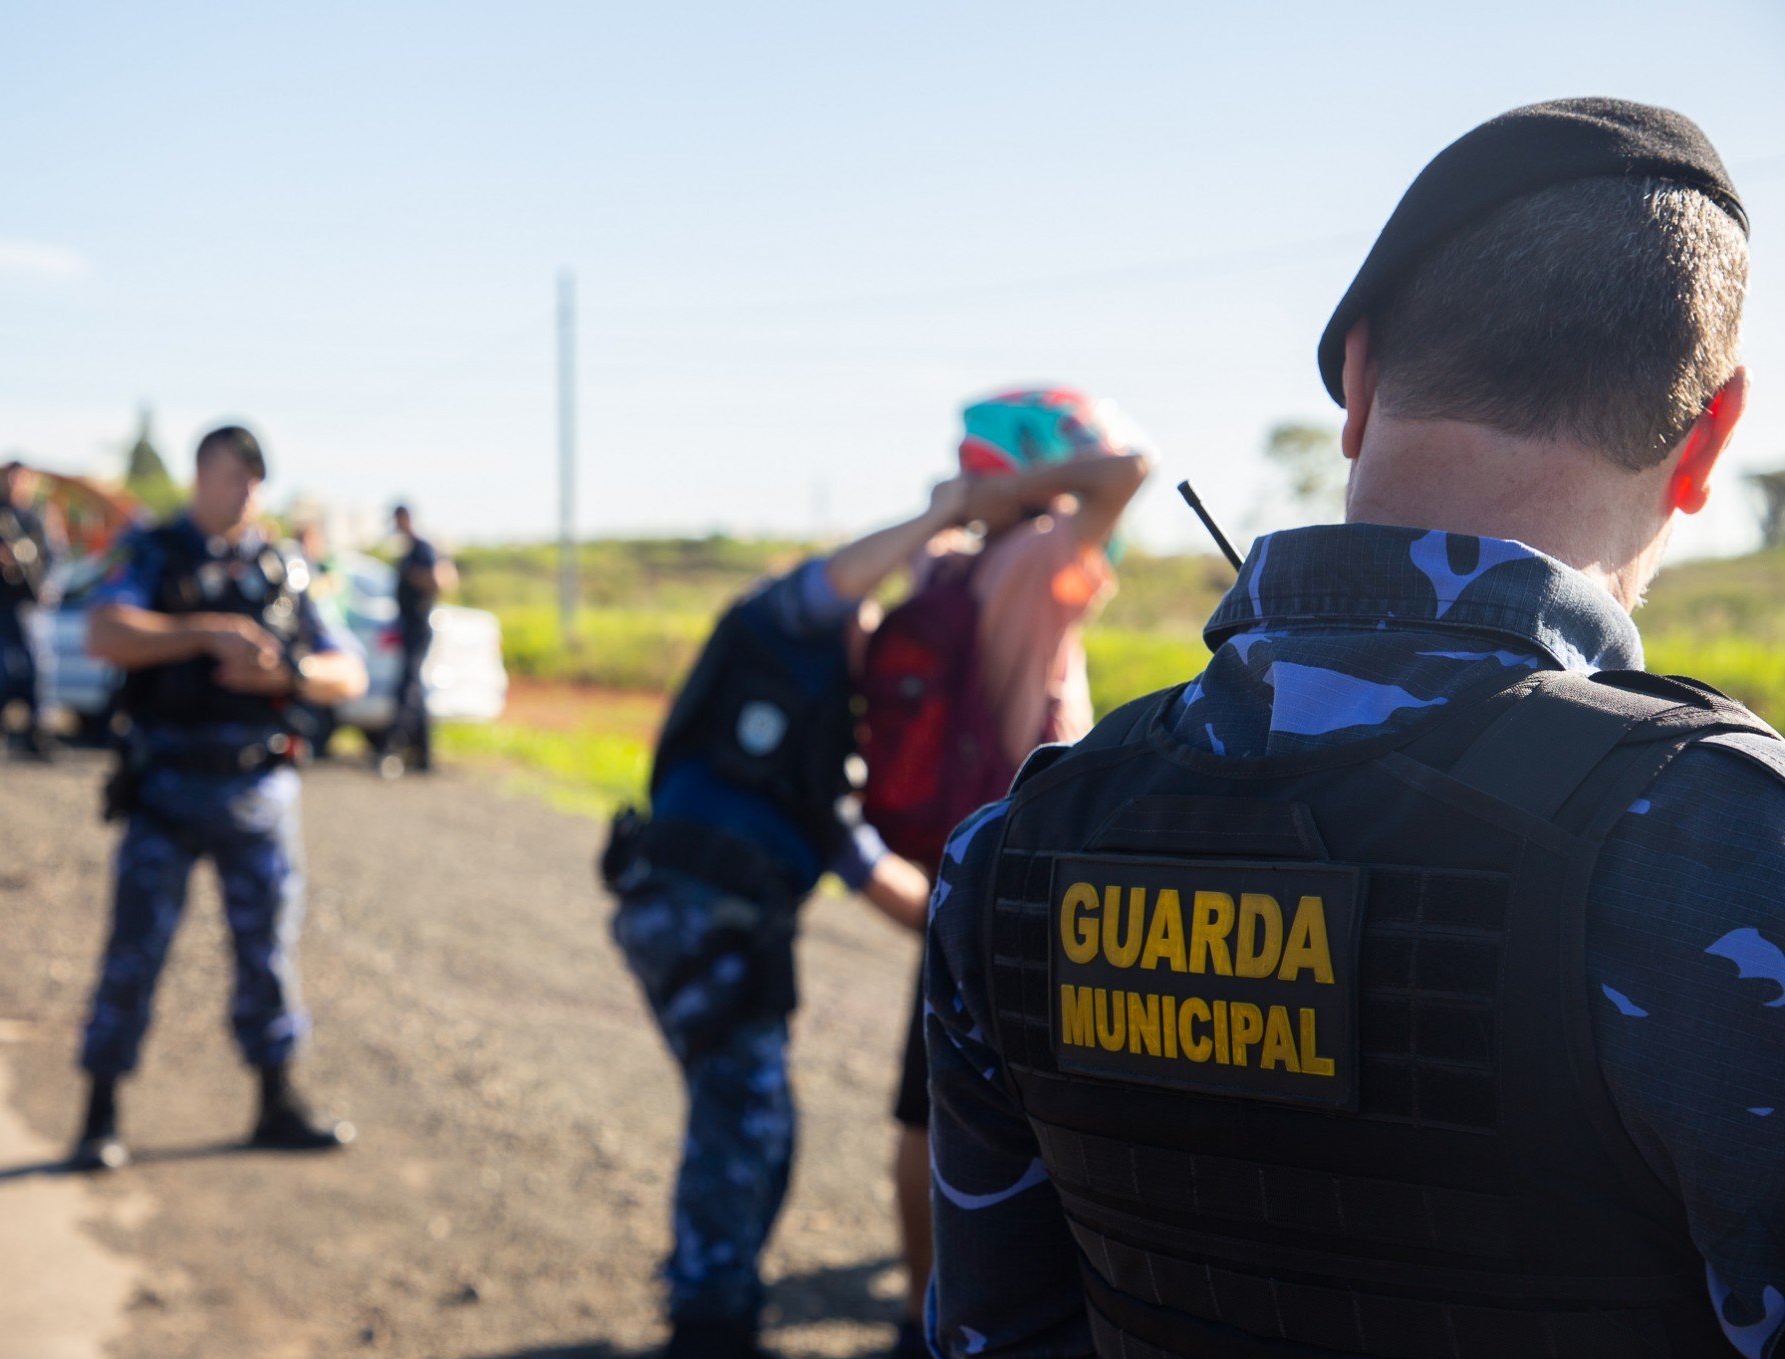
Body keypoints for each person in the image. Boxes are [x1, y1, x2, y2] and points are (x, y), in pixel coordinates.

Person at [924, 98, 1780, 1359]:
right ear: (1710, 436)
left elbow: (995, 1332)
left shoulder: (1017, 848)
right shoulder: (1729, 851)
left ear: (1361, 381)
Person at [602, 478, 984, 1359]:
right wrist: (940, 515)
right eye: (872, 615)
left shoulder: (830, 759)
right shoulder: (775, 627)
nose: (877, 629)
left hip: (715, 929)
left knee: (754, 1121)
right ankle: (707, 1322)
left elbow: (879, 881)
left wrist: (978, 927)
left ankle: (716, 1301)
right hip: (698, 917)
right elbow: (835, 584)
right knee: (742, 1119)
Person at [859, 387, 1149, 1358]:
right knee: (1059, 1101)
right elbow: (1131, 474)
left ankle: (917, 1317)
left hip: (956, 861)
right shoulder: (1035, 559)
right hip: (1035, 861)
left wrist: (958, 503)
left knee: (933, 1104)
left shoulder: (947, 560)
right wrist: (1040, 485)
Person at [71, 425, 369, 1172]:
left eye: (253, 481)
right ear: (201, 475)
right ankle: (99, 1114)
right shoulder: (153, 551)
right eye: (230, 476)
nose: (241, 493)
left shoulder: (286, 566)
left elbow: (349, 672)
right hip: (166, 786)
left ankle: (276, 1100)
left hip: (257, 789)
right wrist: (207, 634)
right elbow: (105, 632)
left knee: (268, 953)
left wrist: (289, 674)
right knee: (133, 955)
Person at [0, 460, 59, 759]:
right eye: (11, 480)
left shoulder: (40, 515)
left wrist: (50, 584)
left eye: (22, 480)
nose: (16, 485)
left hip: (30, 604)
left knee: (37, 670)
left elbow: (56, 555)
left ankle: (37, 736)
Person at [379, 503, 457, 778]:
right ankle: (423, 755)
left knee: (408, 687)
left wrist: (412, 576)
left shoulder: (422, 548)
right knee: (414, 689)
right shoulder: (407, 549)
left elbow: (442, 579)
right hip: (407, 625)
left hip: (418, 624)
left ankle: (392, 748)